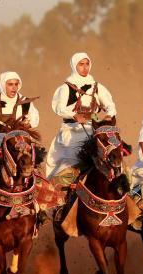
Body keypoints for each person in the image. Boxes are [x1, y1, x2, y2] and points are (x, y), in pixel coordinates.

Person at [45, 52, 117, 186]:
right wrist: (74, 115)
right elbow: (59, 108)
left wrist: (109, 114)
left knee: (113, 156)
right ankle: (63, 198)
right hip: (71, 131)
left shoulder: (97, 86)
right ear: (74, 66)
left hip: (93, 130)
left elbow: (110, 104)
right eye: (81, 64)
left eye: (87, 64)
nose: (85, 67)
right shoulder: (66, 87)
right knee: (71, 166)